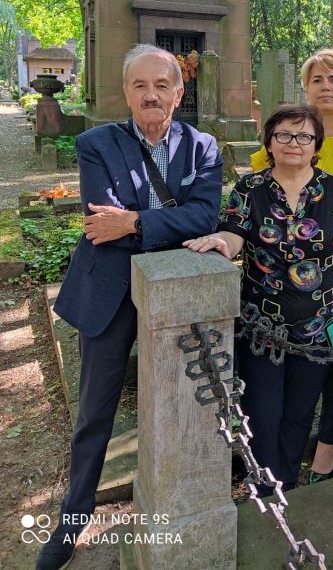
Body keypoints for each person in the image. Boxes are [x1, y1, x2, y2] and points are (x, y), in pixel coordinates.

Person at [36, 44, 223, 570]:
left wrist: (136, 222)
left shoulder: (203, 146)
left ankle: (176, 503)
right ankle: (70, 524)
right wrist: (165, 219)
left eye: (162, 85)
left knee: (182, 404)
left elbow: (206, 217)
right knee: (94, 414)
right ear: (126, 92)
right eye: (140, 86)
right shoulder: (96, 142)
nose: (151, 95)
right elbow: (102, 221)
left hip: (176, 294)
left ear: (178, 92)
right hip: (109, 294)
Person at [186, 104, 333, 493]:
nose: (293, 143)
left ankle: (285, 485)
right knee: (262, 413)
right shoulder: (250, 189)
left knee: (300, 413)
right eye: (283, 134)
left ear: (316, 144)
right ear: (269, 141)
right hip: (260, 329)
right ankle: (265, 487)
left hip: (317, 328)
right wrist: (221, 242)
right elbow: (234, 232)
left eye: (304, 136)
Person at [250, 49, 333, 482]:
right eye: (317, 80)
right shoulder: (287, 141)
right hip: (288, 290)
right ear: (306, 89)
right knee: (296, 379)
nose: (325, 86)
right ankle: (278, 466)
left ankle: (327, 450)